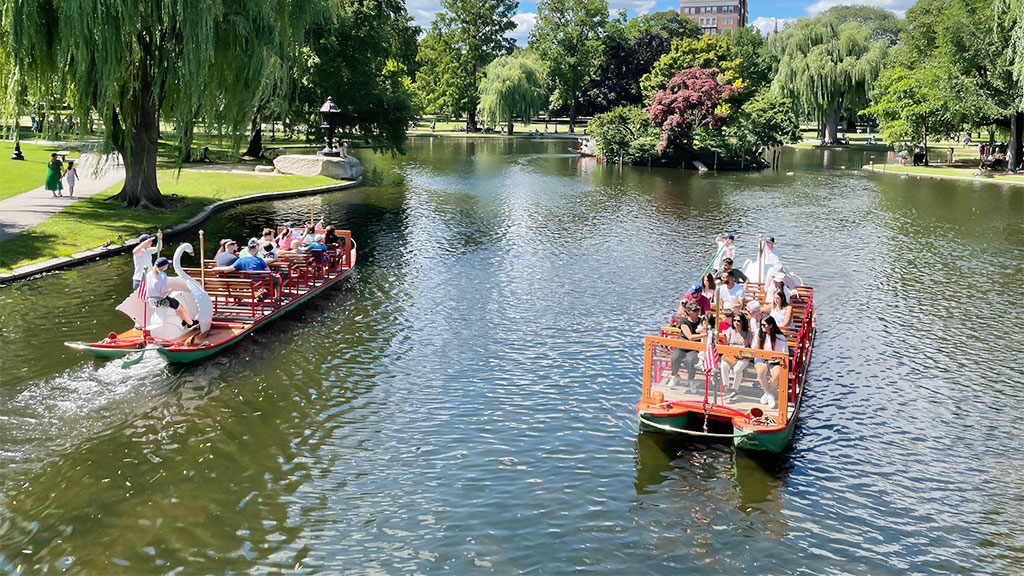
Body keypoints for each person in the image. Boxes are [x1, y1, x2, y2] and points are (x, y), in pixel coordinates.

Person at [147, 257, 198, 329]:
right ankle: (190, 323)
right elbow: (164, 293)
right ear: (164, 266)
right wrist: (171, 290)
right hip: (160, 301)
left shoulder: (149, 274)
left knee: (173, 302)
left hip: (150, 301)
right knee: (180, 307)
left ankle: (184, 320)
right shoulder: (162, 275)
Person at [669, 302, 709, 392]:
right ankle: (675, 375)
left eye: (698, 309)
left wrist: (706, 322)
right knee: (675, 358)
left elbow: (707, 324)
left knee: (691, 360)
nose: (697, 312)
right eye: (694, 310)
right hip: (683, 345)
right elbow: (690, 336)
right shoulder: (683, 321)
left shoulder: (700, 321)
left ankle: (691, 380)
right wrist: (705, 335)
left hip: (694, 347)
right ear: (688, 311)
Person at [754, 316, 789, 409]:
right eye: (761, 325)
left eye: (764, 325)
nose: (762, 327)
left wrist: (774, 358)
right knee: (761, 371)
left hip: (775, 361)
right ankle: (769, 394)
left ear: (771, 325)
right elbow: (755, 349)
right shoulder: (759, 334)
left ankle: (767, 393)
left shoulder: (780, 338)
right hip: (762, 359)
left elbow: (783, 353)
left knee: (777, 374)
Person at [720, 311, 752, 401]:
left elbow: (750, 347)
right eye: (734, 320)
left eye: (738, 321)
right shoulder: (730, 330)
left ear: (743, 322)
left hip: (743, 356)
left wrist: (743, 353)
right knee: (724, 365)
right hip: (731, 354)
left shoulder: (748, 333)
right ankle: (726, 386)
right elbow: (727, 344)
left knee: (737, 369)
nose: (736, 323)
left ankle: (735, 389)